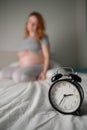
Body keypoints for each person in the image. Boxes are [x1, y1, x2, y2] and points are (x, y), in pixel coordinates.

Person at [0, 11, 51, 82]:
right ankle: (24, 73)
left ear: (39, 25)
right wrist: (20, 54)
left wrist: (44, 72)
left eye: (34, 23)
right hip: (23, 66)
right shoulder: (25, 39)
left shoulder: (42, 37)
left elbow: (47, 56)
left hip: (38, 66)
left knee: (17, 76)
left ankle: (34, 78)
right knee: (2, 73)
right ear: (27, 22)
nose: (31, 24)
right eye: (30, 21)